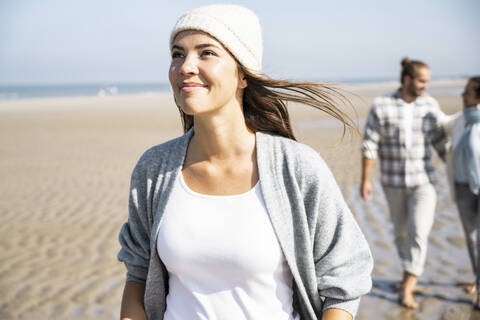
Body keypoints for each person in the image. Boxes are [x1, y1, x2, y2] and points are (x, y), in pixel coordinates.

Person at [117, 4, 373, 320]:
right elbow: (138, 273)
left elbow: (344, 280)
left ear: (243, 75)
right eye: (177, 54)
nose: (186, 66)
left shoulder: (296, 167)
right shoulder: (154, 168)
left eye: (206, 53)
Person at [360, 58, 447, 309]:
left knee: (418, 232)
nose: (424, 86)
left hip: (424, 181)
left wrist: (459, 168)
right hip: (392, 181)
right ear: (407, 79)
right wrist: (366, 180)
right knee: (400, 234)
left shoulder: (431, 105)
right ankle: (408, 269)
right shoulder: (382, 105)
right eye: (421, 81)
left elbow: (441, 142)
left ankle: (408, 285)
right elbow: (370, 144)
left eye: (427, 82)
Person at [443, 76, 480, 308]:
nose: (462, 95)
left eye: (466, 92)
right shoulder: (460, 120)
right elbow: (441, 124)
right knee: (471, 237)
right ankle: (477, 279)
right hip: (462, 185)